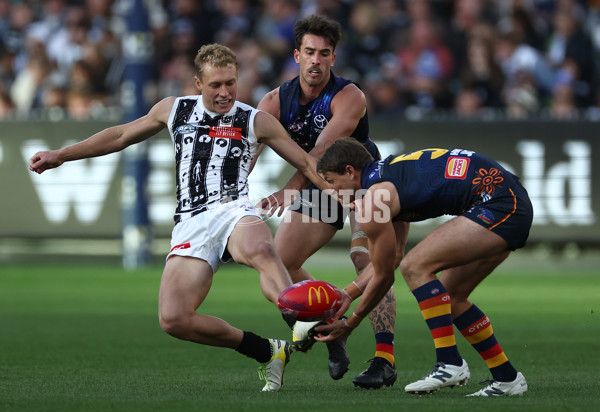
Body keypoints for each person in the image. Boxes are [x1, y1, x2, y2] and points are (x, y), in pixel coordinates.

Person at [29, 43, 331, 393]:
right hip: (190, 220)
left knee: (261, 249)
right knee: (174, 319)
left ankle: (296, 321)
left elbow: (307, 162)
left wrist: (346, 196)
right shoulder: (173, 110)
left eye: (231, 83)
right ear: (197, 84)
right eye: (216, 84)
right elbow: (121, 135)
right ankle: (266, 350)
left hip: (234, 207)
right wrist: (61, 155)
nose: (225, 92)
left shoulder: (254, 119)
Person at [314, 138, 532, 397]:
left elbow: (385, 276)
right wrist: (347, 294)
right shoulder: (389, 180)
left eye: (330, 181)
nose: (330, 191)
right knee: (451, 295)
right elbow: (389, 261)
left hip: (499, 204)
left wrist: (351, 322)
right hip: (508, 202)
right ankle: (506, 377)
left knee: (415, 266)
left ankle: (449, 362)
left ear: (350, 172)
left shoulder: (375, 199)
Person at [254, 15, 398, 388]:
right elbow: (247, 149)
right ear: (297, 55)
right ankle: (331, 328)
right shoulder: (273, 100)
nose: (316, 60)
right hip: (321, 186)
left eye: (324, 53)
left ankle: (384, 359)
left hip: (363, 181)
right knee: (281, 263)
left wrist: (288, 190)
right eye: (309, 52)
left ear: (334, 58)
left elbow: (321, 152)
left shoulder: (350, 96)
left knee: (368, 261)